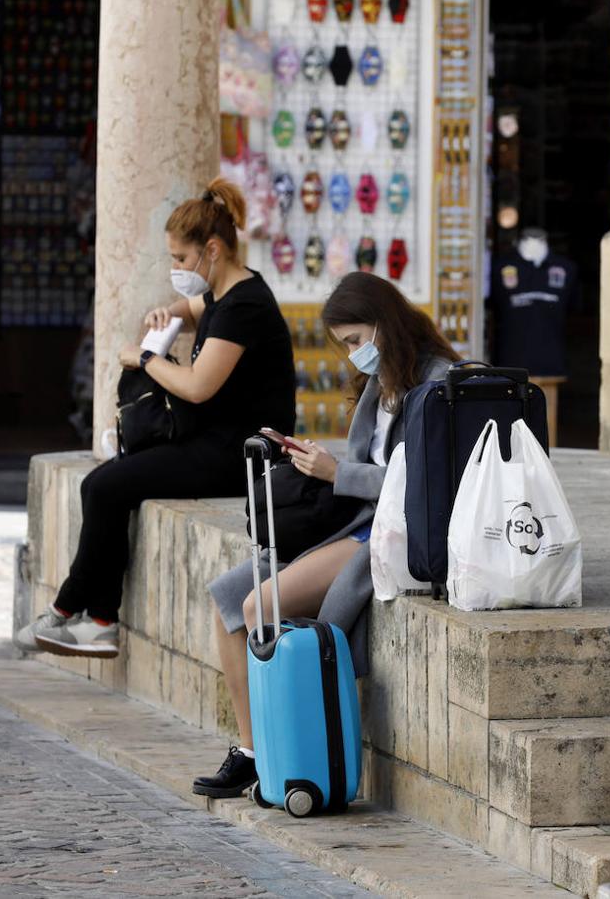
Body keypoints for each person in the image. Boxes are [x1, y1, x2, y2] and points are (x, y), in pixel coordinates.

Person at [191, 272, 460, 799]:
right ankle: (251, 752)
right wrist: (312, 459)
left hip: (388, 532)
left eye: (357, 340)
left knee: (259, 607)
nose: (354, 353)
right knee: (228, 596)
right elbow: (365, 459)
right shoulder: (383, 381)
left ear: (386, 324)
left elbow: (427, 486)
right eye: (346, 345)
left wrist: (339, 474)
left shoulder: (438, 382)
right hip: (351, 521)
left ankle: (290, 753)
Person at [13, 177, 296, 658]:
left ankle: (80, 613)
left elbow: (197, 385)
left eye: (181, 260)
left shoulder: (244, 306)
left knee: (104, 486)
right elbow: (192, 305)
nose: (176, 269)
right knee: (107, 481)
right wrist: (168, 314)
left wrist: (143, 358)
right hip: (213, 440)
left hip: (238, 454)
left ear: (212, 250)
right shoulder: (228, 293)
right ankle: (94, 617)